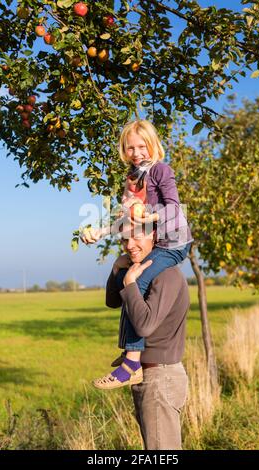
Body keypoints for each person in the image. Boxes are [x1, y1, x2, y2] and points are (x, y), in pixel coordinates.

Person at [81, 119, 193, 389]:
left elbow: (174, 209)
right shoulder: (132, 177)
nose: (137, 152)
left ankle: (132, 364)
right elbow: (129, 222)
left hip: (173, 243)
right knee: (125, 279)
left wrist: (147, 215)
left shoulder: (161, 171)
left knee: (137, 281)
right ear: (124, 150)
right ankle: (129, 349)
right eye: (130, 148)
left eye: (142, 146)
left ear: (153, 145)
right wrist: (102, 231)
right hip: (152, 238)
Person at [103, 221, 190, 450]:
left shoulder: (167, 275)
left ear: (154, 234)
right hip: (149, 375)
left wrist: (130, 283)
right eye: (123, 239)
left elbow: (144, 326)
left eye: (136, 237)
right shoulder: (142, 270)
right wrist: (117, 270)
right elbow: (112, 301)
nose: (129, 245)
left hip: (161, 378)